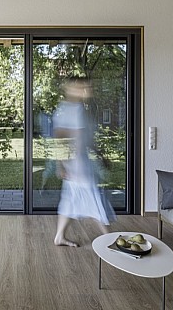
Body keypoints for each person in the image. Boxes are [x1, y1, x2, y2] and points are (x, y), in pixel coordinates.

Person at [52, 77, 115, 247]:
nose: (86, 90)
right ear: (71, 89)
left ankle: (59, 236)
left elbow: (86, 138)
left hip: (81, 162)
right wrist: (61, 164)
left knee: (71, 199)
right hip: (75, 164)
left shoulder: (81, 109)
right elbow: (60, 137)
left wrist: (100, 155)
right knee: (93, 197)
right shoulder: (66, 110)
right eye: (82, 87)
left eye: (87, 87)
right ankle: (109, 239)